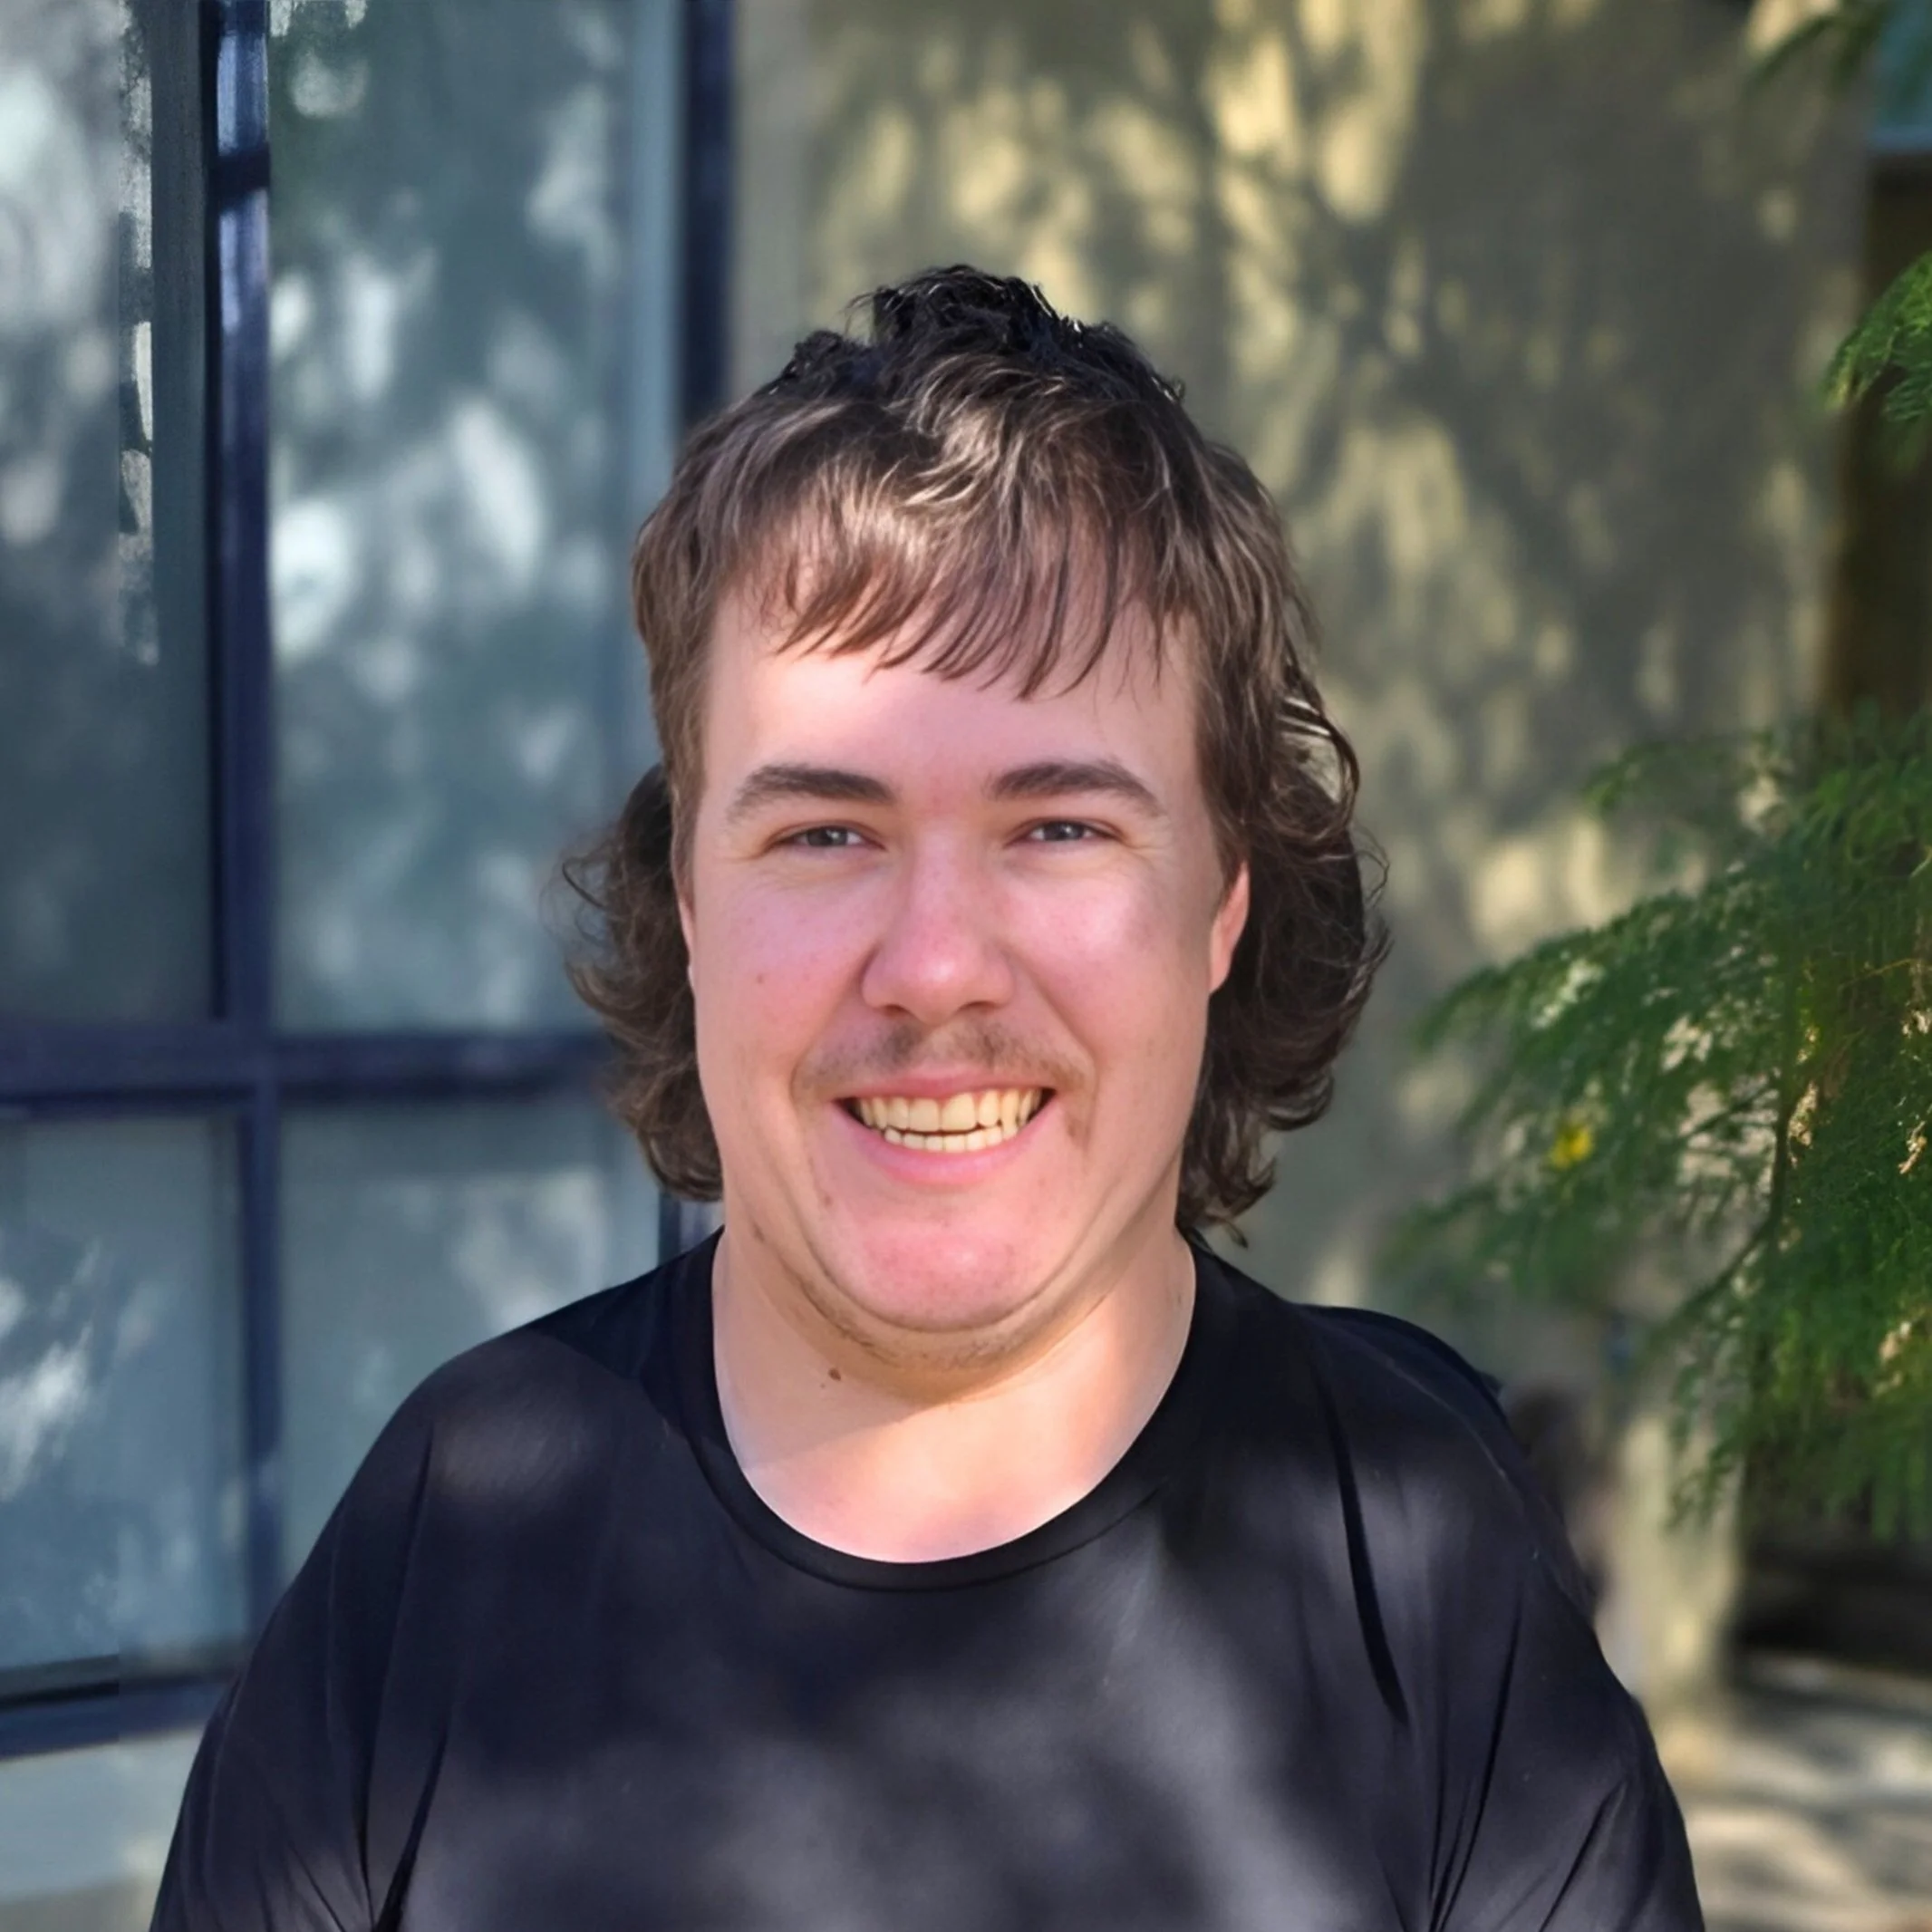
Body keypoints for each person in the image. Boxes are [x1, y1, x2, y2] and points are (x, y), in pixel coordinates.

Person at [153, 267, 1703, 1930]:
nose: (938, 968)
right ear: (688, 894)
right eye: (826, 832)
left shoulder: (1427, 1562)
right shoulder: (450, 1533)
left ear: (1224, 903)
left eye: (1060, 828)